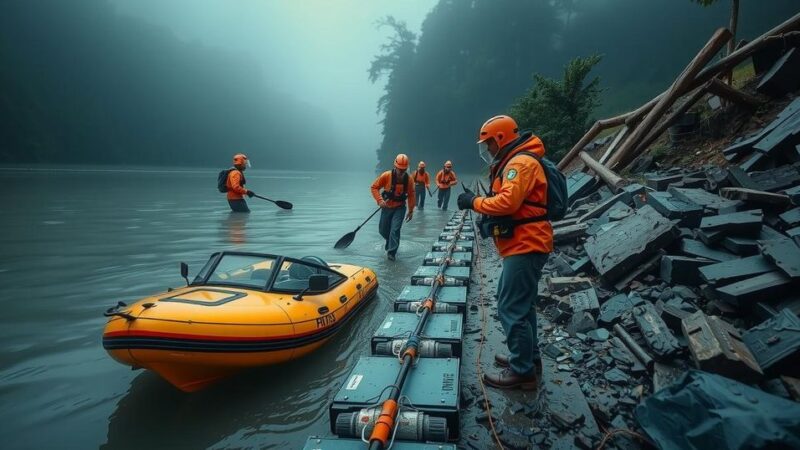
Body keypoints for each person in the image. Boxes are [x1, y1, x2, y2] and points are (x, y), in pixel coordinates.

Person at [457, 115, 553, 390]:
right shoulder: (518, 160)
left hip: (526, 244)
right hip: (524, 245)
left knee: (511, 305)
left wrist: (474, 201)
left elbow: (509, 202)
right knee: (521, 304)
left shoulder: (520, 163)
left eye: (488, 144)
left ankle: (522, 372)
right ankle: (527, 358)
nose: (487, 150)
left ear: (500, 139)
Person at [370, 153, 415, 261]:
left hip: (400, 208)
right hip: (386, 207)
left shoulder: (409, 180)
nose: (401, 172)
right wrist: (380, 200)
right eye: (400, 169)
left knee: (395, 230)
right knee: (382, 230)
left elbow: (412, 195)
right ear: (395, 166)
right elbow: (374, 187)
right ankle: (390, 242)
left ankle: (391, 253)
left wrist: (411, 211)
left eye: (404, 170)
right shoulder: (386, 176)